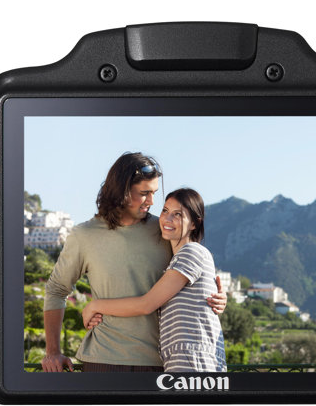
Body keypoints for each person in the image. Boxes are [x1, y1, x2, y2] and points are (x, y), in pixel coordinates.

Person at [41, 153, 227, 373]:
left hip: (162, 364)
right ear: (121, 190)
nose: (151, 201)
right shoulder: (84, 235)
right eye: (144, 193)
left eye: (154, 193)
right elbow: (56, 290)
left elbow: (193, 275)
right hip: (103, 360)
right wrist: (53, 352)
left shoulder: (165, 230)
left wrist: (215, 299)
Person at [82, 188, 226, 372]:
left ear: (194, 224)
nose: (167, 219)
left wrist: (94, 306)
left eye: (178, 214)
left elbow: (146, 304)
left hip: (194, 362)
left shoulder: (191, 252)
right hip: (181, 360)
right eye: (165, 210)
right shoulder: (176, 260)